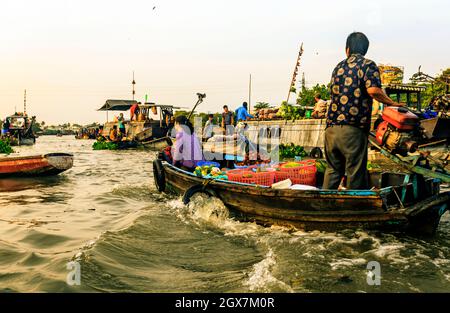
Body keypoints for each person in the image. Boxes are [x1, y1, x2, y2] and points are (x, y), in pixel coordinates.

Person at [323, 32, 402, 190]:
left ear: (347, 49)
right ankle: (354, 211)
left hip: (331, 130)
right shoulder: (368, 65)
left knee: (332, 171)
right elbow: (373, 90)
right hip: (353, 130)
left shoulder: (338, 67)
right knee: (355, 173)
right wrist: (393, 103)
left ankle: (324, 208)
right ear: (365, 50)